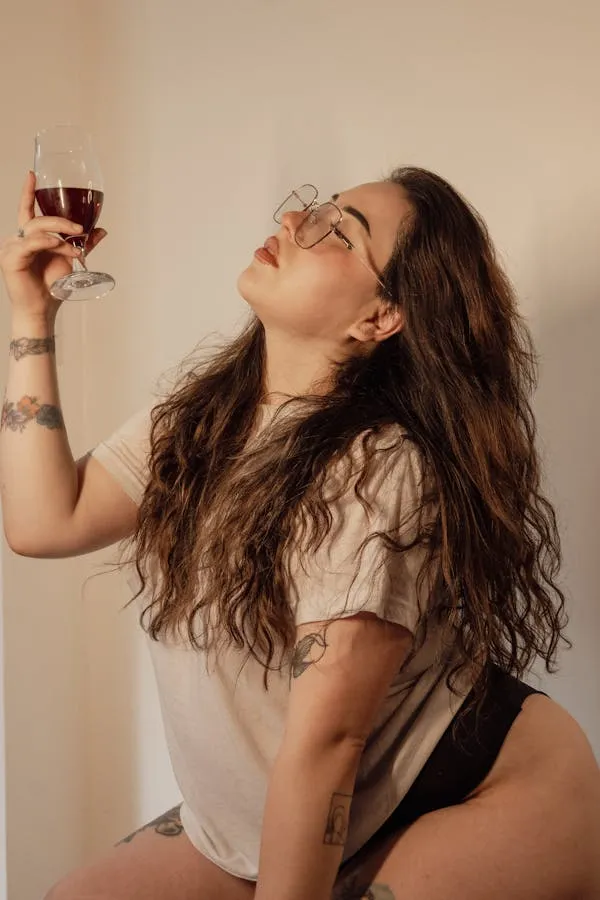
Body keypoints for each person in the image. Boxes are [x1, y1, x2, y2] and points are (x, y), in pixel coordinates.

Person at [1, 167, 599, 900]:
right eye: (313, 210)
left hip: (473, 794)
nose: (292, 224)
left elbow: (327, 747)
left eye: (339, 232)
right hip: (261, 820)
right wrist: (32, 315)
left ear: (379, 318)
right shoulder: (203, 418)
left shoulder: (378, 470)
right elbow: (42, 522)